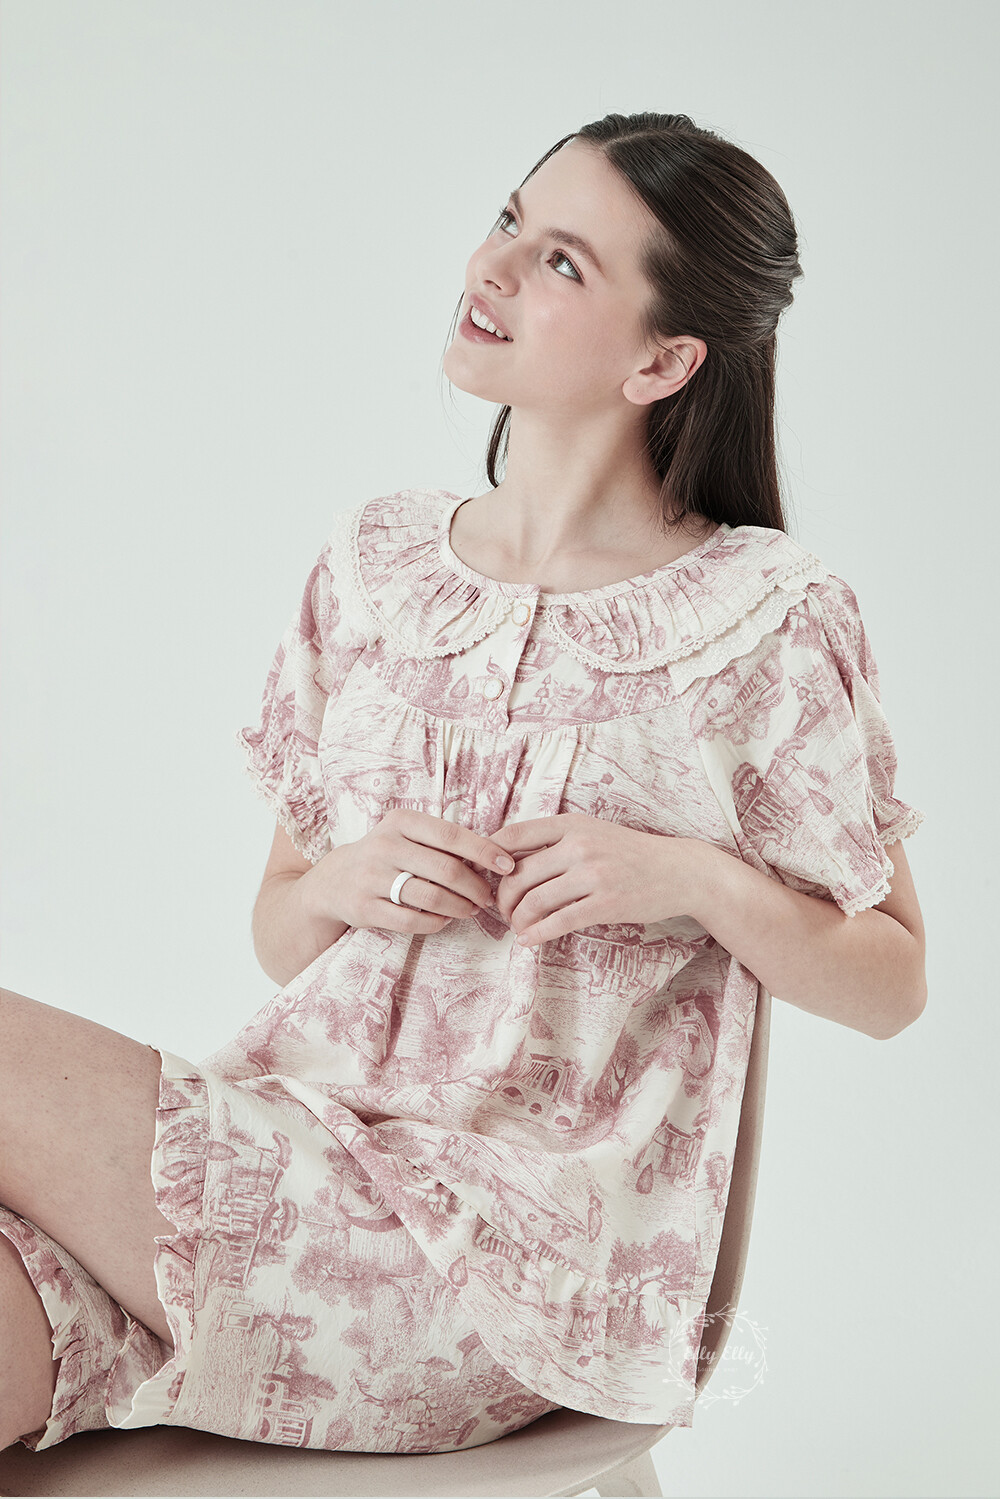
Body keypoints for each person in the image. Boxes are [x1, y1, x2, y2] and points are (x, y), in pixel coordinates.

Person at [0, 111, 927, 1457]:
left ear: (664, 359)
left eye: (562, 262)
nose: (491, 267)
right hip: (276, 1169)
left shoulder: (766, 621)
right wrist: (342, 882)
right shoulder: (372, 568)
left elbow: (893, 983)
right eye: (509, 221)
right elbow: (282, 936)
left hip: (498, 1277)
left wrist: (691, 879)